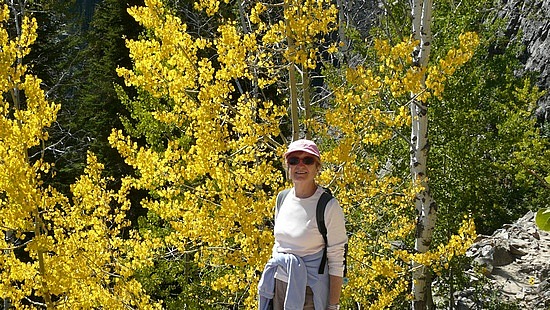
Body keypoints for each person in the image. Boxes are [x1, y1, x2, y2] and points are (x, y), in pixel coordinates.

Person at [258, 139, 348, 310]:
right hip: (278, 286)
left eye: (308, 160)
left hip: (309, 293)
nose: (300, 166)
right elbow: (279, 244)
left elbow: (337, 261)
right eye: (294, 161)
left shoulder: (328, 206)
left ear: (317, 167)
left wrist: (333, 306)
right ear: (287, 166)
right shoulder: (282, 199)